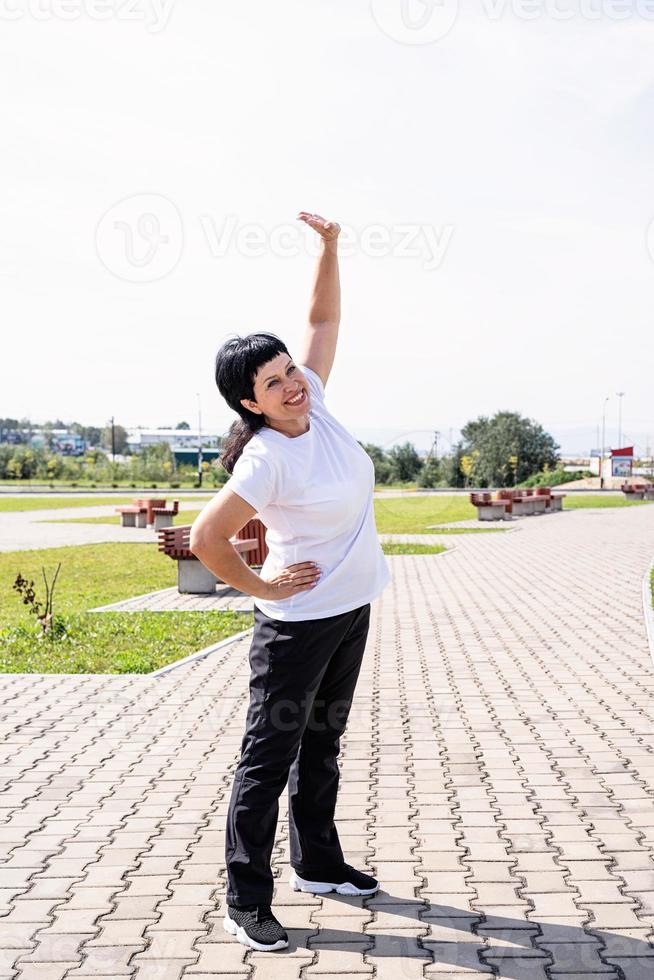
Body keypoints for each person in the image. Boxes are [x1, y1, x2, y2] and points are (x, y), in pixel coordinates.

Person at [189, 211, 391, 953]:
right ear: (251, 403)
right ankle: (246, 899)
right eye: (272, 384)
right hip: (298, 626)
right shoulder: (267, 459)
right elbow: (208, 539)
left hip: (350, 610)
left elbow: (323, 317)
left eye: (290, 371)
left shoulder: (319, 405)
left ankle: (319, 863)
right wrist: (263, 588)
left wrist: (331, 247)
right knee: (267, 756)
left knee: (324, 740)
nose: (291, 385)